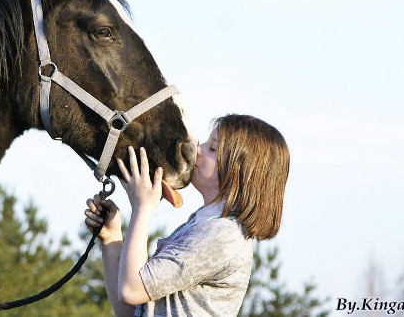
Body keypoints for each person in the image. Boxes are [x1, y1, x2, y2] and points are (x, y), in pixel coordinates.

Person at [84, 114, 290, 317]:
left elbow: (131, 290)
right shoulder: (200, 225)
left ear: (240, 172)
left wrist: (142, 207)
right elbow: (129, 309)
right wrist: (111, 239)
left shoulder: (221, 237)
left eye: (212, 148)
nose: (197, 151)